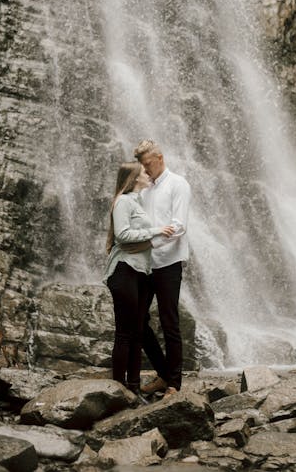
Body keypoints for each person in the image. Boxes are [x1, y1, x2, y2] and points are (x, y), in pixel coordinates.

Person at [105, 161, 175, 397]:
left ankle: (133, 387)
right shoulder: (123, 202)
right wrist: (156, 231)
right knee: (125, 332)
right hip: (124, 270)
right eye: (144, 171)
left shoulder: (138, 201)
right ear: (135, 178)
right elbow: (123, 235)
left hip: (140, 272)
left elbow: (138, 237)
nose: (148, 173)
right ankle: (117, 386)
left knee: (136, 331)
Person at [133, 139, 191, 398]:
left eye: (147, 165)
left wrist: (150, 241)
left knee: (170, 323)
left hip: (168, 263)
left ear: (160, 158)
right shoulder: (145, 191)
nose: (145, 171)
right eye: (142, 166)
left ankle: (173, 384)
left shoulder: (178, 184)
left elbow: (179, 226)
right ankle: (163, 372)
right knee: (137, 321)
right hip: (146, 265)